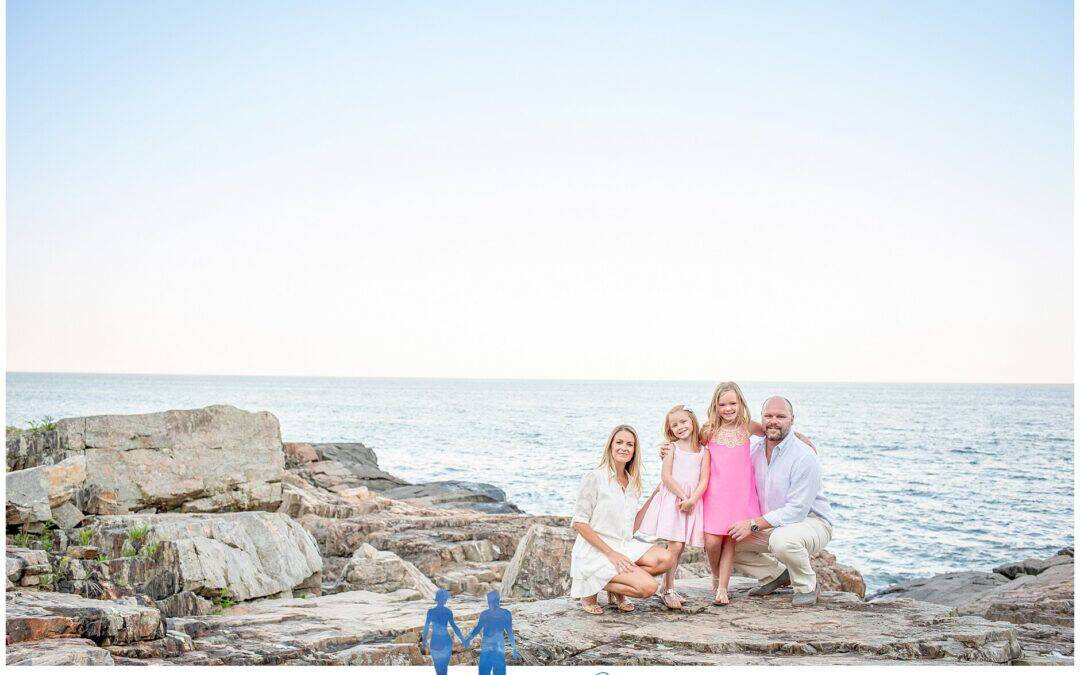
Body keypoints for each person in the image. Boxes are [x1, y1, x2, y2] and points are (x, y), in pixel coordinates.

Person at [661, 382, 816, 606]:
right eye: (722, 404)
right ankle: (716, 576)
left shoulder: (747, 426)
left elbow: (773, 432)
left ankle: (722, 587)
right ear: (715, 406)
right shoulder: (708, 430)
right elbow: (690, 448)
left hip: (740, 497)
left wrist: (800, 437)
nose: (728, 409)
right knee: (711, 542)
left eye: (732, 403)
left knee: (731, 541)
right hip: (714, 495)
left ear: (740, 403)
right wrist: (668, 450)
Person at [726, 396, 834, 607]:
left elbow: (797, 511)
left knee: (782, 540)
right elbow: (722, 463)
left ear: (792, 419)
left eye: (781, 416)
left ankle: (807, 586)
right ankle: (774, 575)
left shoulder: (804, 455)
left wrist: (752, 524)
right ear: (761, 418)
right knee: (722, 541)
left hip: (811, 523)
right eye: (769, 416)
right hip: (772, 525)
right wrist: (675, 449)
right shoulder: (754, 451)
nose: (774, 421)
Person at [570, 424, 675, 615]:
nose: (624, 448)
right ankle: (589, 587)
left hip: (622, 545)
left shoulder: (632, 481)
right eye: (619, 442)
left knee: (666, 559)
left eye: (629, 444)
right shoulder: (595, 477)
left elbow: (630, 527)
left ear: (634, 450)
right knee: (648, 587)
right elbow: (579, 523)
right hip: (596, 550)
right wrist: (611, 554)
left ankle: (614, 587)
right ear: (610, 445)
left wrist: (654, 496)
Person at [636, 405, 708, 609]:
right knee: (675, 545)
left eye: (683, 422)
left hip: (691, 501)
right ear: (670, 429)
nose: (680, 427)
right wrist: (684, 497)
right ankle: (667, 590)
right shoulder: (672, 448)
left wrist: (693, 499)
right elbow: (666, 477)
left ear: (692, 422)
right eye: (674, 425)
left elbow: (704, 480)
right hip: (674, 501)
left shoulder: (704, 451)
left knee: (680, 546)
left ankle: (667, 587)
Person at [464, 591, 517, 675]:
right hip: (491, 645)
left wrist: (514, 648)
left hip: (495, 645)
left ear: (497, 601)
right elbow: (478, 628)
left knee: (494, 670)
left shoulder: (502, 614)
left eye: (490, 601)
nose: (489, 603)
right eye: (488, 601)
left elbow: (510, 632)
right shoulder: (490, 614)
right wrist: (468, 638)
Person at [422, 588, 467, 675]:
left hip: (435, 641)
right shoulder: (448, 612)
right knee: (444, 669)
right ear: (444, 599)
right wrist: (463, 639)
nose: (446, 600)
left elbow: (426, 627)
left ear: (437, 599)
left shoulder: (431, 612)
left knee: (438, 669)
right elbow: (454, 627)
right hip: (446, 641)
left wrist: (424, 641)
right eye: (446, 598)